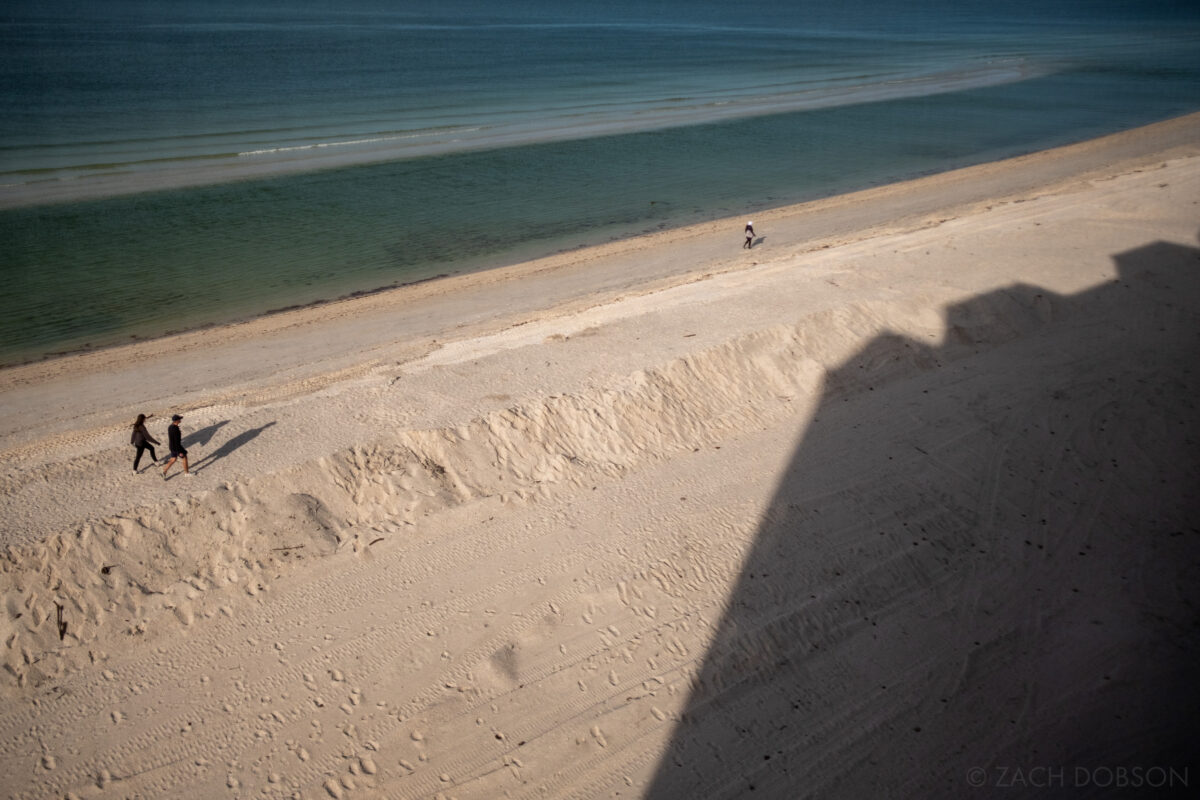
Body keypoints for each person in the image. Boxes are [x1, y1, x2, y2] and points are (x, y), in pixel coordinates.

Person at [162, 414, 193, 478]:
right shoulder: (175, 429)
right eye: (179, 419)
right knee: (184, 457)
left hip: (171, 446)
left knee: (173, 459)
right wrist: (179, 451)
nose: (180, 420)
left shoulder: (170, 426)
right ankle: (186, 473)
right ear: (176, 421)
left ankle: (164, 471)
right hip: (177, 447)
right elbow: (176, 441)